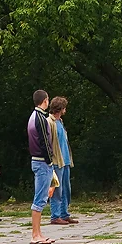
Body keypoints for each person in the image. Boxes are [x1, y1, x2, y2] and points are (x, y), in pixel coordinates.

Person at [27, 89, 55, 244]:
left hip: (36, 160)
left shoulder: (32, 117)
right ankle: (35, 234)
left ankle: (38, 233)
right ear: (44, 101)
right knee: (40, 199)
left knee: (41, 198)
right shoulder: (41, 118)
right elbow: (45, 141)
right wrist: (50, 161)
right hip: (42, 161)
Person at [47, 97, 78, 226]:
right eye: (64, 107)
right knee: (57, 190)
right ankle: (55, 215)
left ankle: (64, 214)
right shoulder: (50, 122)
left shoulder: (60, 121)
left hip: (65, 160)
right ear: (60, 109)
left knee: (66, 189)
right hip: (56, 161)